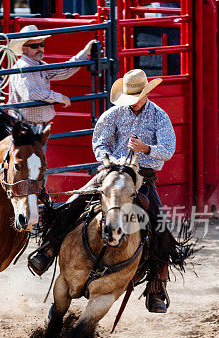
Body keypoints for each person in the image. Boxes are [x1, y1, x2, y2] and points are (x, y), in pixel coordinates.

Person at [28, 69, 176, 313]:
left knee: (161, 227)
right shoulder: (113, 114)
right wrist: (109, 160)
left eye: (137, 96)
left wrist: (146, 148)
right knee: (73, 204)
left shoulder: (159, 117)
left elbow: (168, 149)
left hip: (143, 178)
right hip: (110, 173)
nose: (134, 101)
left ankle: (156, 286)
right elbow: (100, 142)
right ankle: (49, 248)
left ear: (146, 94)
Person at [6, 25, 96, 125]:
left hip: (34, 124)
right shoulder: (22, 66)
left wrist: (84, 53)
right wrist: (59, 97)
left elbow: (64, 71)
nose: (39, 48)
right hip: (25, 126)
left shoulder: (39, 65)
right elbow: (31, 93)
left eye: (41, 44)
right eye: (34, 46)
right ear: (24, 49)